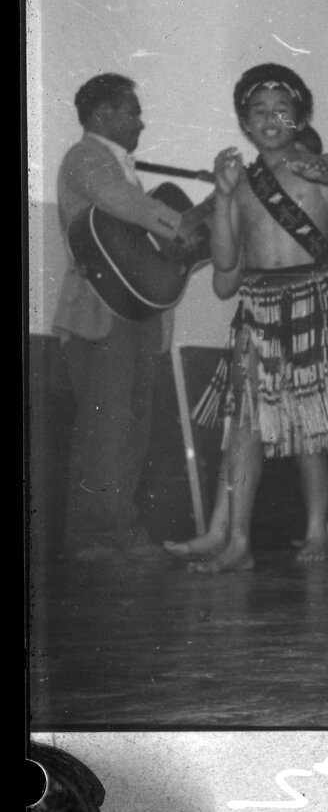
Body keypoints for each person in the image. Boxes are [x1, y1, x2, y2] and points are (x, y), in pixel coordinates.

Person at [172, 63, 328, 572]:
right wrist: (222, 194)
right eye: (259, 111)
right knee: (246, 429)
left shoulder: (315, 167)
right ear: (245, 122)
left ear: (299, 119)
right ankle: (237, 542)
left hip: (314, 302)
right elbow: (226, 263)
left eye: (282, 110)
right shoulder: (240, 184)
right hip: (258, 306)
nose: (270, 119)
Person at [54, 74, 190, 561]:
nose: (141, 122)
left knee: (130, 426)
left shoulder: (121, 168)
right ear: (102, 115)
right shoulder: (86, 157)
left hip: (129, 314)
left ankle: (111, 534)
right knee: (107, 429)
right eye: (133, 111)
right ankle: (100, 537)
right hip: (99, 314)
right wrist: (184, 227)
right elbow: (121, 202)